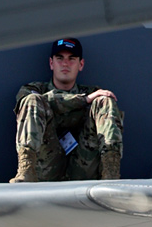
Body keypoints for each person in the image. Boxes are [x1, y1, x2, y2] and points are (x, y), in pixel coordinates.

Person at [10, 37, 124, 183]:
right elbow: (40, 100)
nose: (65, 63)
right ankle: (26, 170)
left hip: (83, 166)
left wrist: (90, 99)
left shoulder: (94, 94)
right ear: (51, 63)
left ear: (81, 64)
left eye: (71, 58)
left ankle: (111, 172)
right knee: (32, 100)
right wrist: (83, 100)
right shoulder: (33, 89)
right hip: (46, 166)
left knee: (104, 101)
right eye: (59, 58)